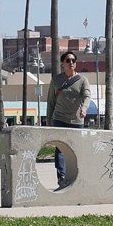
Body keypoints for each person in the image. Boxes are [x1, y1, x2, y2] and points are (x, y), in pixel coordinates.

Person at [47, 52, 89, 189]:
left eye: (73, 60)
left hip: (76, 121)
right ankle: (62, 177)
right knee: (61, 149)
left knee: (76, 149)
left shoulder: (82, 80)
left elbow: (87, 96)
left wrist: (84, 109)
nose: (71, 62)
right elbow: (51, 102)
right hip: (59, 119)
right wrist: (49, 121)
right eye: (68, 60)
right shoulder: (56, 80)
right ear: (62, 63)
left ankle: (77, 177)